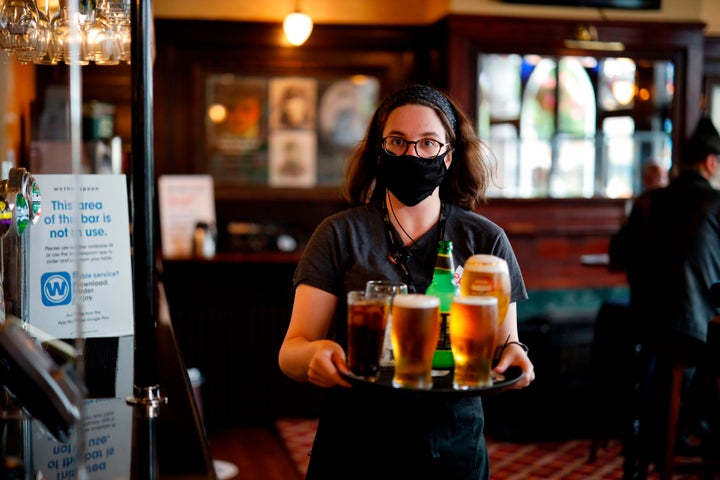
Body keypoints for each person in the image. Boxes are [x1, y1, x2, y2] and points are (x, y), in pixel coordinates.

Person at [278, 84, 535, 480]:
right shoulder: (339, 234)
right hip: (355, 446)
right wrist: (315, 356)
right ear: (378, 151)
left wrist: (516, 356)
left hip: (453, 447)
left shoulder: (485, 240)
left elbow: (506, 344)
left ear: (448, 155)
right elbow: (291, 351)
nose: (411, 154)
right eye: (397, 141)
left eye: (428, 143)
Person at [609, 116, 720, 478]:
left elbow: (618, 256)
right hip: (701, 338)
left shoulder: (649, 202)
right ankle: (698, 432)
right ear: (711, 163)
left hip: (646, 331)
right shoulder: (716, 203)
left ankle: (671, 436)